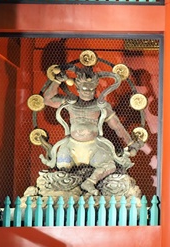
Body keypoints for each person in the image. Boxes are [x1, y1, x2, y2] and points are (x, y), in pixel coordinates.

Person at [40, 60, 143, 195]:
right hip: (70, 147)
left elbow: (117, 126)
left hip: (94, 148)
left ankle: (90, 182)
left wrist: (130, 144)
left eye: (91, 89)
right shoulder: (70, 102)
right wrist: (57, 81)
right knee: (62, 169)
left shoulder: (101, 106)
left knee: (110, 166)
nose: (88, 92)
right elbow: (47, 99)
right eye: (84, 89)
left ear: (95, 89)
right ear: (77, 89)